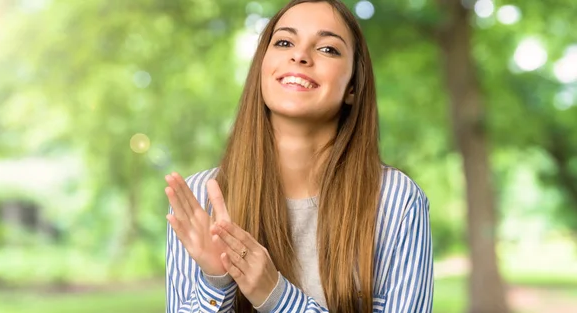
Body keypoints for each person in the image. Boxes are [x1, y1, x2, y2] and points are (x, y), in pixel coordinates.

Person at [164, 0, 433, 312]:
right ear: (262, 67)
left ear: (353, 88)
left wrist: (276, 297)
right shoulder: (199, 200)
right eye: (284, 42)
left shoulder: (396, 201)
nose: (299, 55)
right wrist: (215, 281)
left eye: (328, 49)